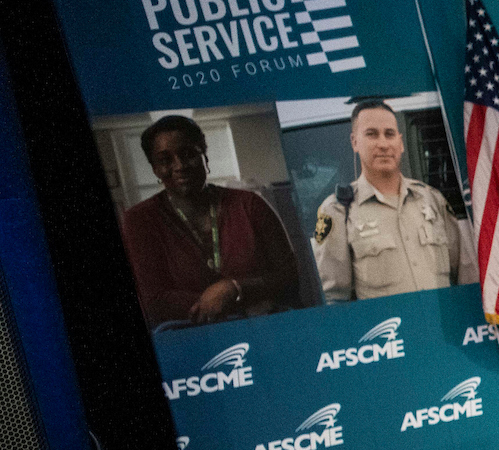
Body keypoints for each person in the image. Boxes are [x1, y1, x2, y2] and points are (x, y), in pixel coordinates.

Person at [117, 114, 299, 329]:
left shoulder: (250, 205)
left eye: (189, 153)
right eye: (165, 160)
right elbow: (154, 301)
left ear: (205, 155)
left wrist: (234, 288)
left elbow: (290, 276)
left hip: (265, 328)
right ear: (155, 169)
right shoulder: (139, 220)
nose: (180, 165)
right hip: (189, 339)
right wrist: (232, 303)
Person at [313, 100, 478, 300]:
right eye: (371, 134)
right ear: (355, 142)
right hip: (389, 331)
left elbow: (467, 276)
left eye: (389, 134)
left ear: (400, 143)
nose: (383, 144)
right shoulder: (338, 211)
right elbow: (335, 300)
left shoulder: (431, 199)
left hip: (442, 327)